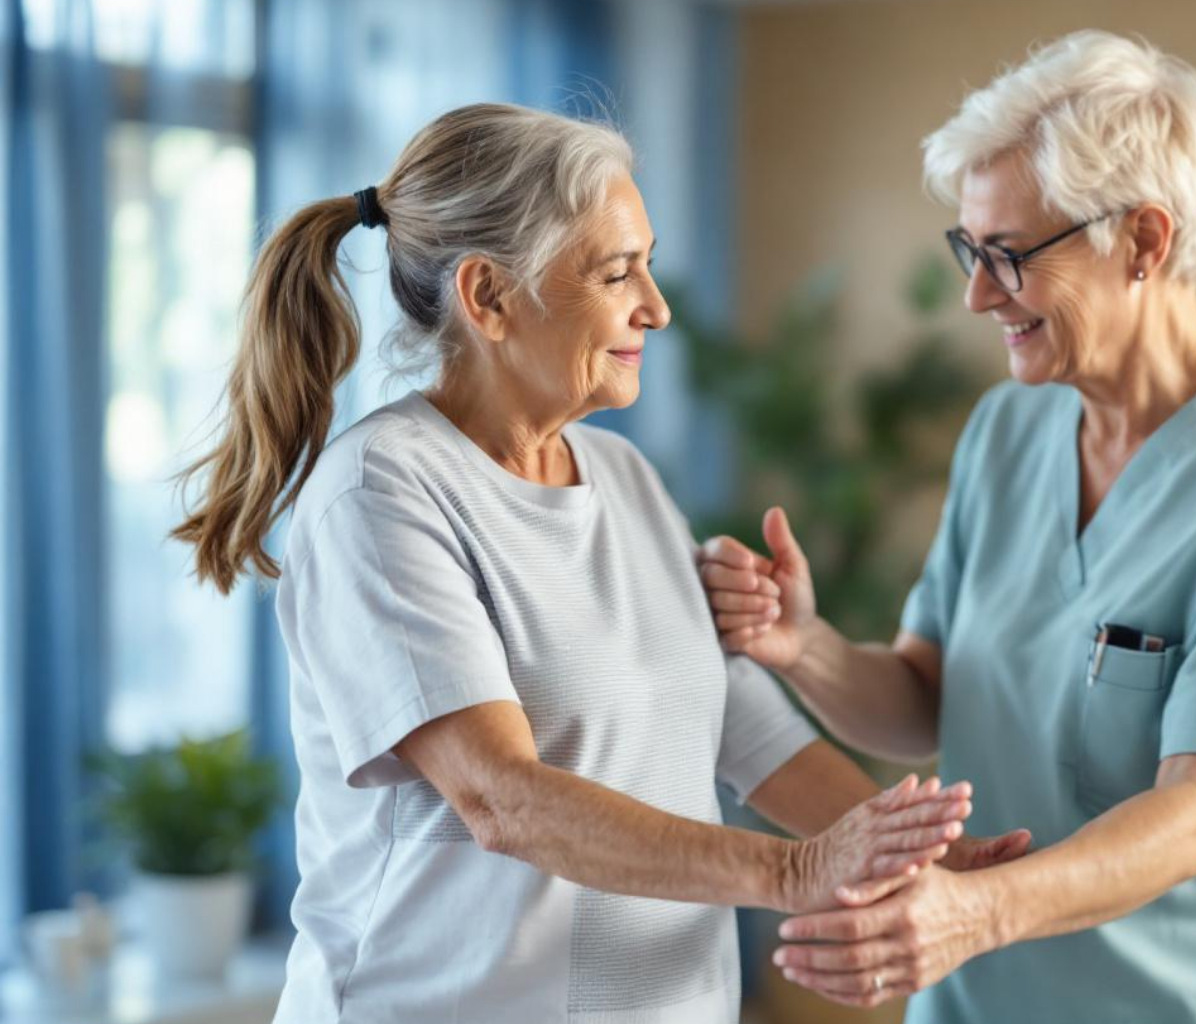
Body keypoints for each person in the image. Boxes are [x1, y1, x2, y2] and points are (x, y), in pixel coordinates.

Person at [171, 102, 1013, 1024]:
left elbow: (749, 732)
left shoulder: (622, 476)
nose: (655, 306)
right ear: (487, 297)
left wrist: (911, 855)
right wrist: (796, 871)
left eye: (647, 265)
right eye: (618, 273)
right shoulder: (380, 495)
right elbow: (502, 799)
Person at [698, 30, 1196, 1024]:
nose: (977, 293)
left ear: (1147, 241)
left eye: (1010, 255)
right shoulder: (1009, 428)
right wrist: (804, 647)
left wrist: (971, 913)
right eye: (970, 248)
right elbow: (928, 700)